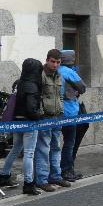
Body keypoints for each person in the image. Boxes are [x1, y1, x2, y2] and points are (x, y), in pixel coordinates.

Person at [0, 58, 44, 195]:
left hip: (17, 120)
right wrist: (39, 116)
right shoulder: (33, 86)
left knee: (15, 149)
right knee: (29, 153)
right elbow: (31, 108)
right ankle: (29, 183)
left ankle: (4, 175)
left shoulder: (19, 83)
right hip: (29, 122)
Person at [34, 49, 71, 192]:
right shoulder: (41, 75)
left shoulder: (59, 75)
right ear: (47, 60)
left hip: (57, 116)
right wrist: (41, 113)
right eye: (53, 62)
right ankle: (42, 179)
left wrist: (61, 110)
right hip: (45, 117)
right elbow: (38, 96)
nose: (55, 65)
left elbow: (60, 95)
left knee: (56, 147)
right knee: (43, 149)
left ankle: (55, 176)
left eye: (58, 62)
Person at [59, 50, 86, 182]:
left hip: (57, 111)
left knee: (55, 145)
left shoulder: (56, 70)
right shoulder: (69, 72)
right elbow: (83, 87)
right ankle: (67, 170)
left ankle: (59, 170)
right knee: (69, 142)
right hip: (69, 111)